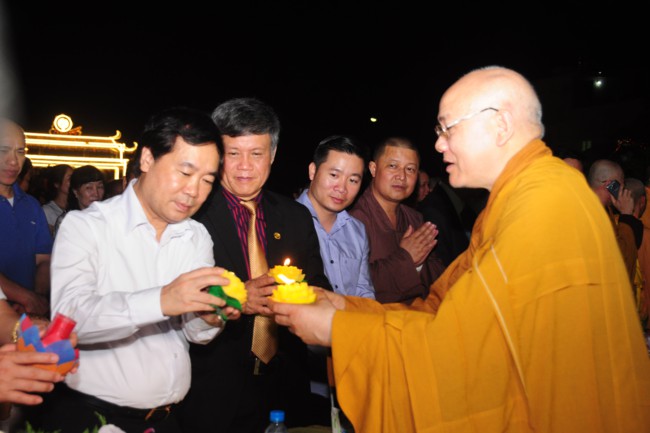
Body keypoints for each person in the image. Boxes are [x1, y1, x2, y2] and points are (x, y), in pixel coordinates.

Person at [270, 66, 650, 433]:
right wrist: (347, 308)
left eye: (447, 128)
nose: (438, 144)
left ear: (500, 124)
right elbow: (444, 306)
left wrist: (339, 329)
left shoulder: (546, 201)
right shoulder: (514, 200)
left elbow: (463, 344)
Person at [40, 107, 239, 433]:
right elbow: (71, 318)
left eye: (207, 180)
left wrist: (210, 316)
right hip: (96, 416)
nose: (194, 191)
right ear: (147, 159)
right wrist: (162, 300)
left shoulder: (195, 235)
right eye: (185, 172)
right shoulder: (86, 226)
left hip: (168, 419)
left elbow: (194, 334)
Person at [181, 97, 332, 433]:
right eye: (233, 153)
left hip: (286, 387)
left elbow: (320, 286)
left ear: (273, 155)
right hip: (212, 393)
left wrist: (299, 296)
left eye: (256, 154)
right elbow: (176, 300)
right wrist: (236, 298)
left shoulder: (295, 216)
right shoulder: (191, 216)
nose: (245, 166)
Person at [349, 137, 445, 304]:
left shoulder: (415, 218)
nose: (401, 176)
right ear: (373, 169)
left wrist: (417, 264)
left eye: (410, 169)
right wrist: (407, 259)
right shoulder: (353, 220)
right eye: (393, 166)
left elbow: (438, 273)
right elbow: (352, 284)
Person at [296, 135, 374, 299]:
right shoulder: (284, 221)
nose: (342, 188)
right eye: (334, 175)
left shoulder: (357, 231)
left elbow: (364, 291)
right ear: (313, 171)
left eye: (353, 180)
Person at [0, 118, 51, 317]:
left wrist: (35, 299)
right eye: (3, 150)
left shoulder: (31, 205)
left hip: (27, 317)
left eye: (20, 152)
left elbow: (44, 259)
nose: (13, 161)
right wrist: (25, 297)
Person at [587, 159, 643, 286]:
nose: (623, 191)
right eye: (621, 186)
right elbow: (621, 262)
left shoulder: (603, 210)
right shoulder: (593, 214)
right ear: (610, 185)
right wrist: (627, 216)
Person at [416, 169, 469, 267]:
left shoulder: (429, 210)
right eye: (423, 185)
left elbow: (442, 251)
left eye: (428, 185)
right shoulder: (419, 210)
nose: (428, 190)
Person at [52, 164, 106, 237]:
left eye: (100, 187)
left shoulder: (109, 218)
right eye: (89, 188)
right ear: (76, 192)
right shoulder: (67, 221)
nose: (96, 193)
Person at [41, 164, 72, 234]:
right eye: (69, 179)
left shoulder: (76, 208)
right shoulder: (47, 211)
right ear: (57, 183)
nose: (74, 182)